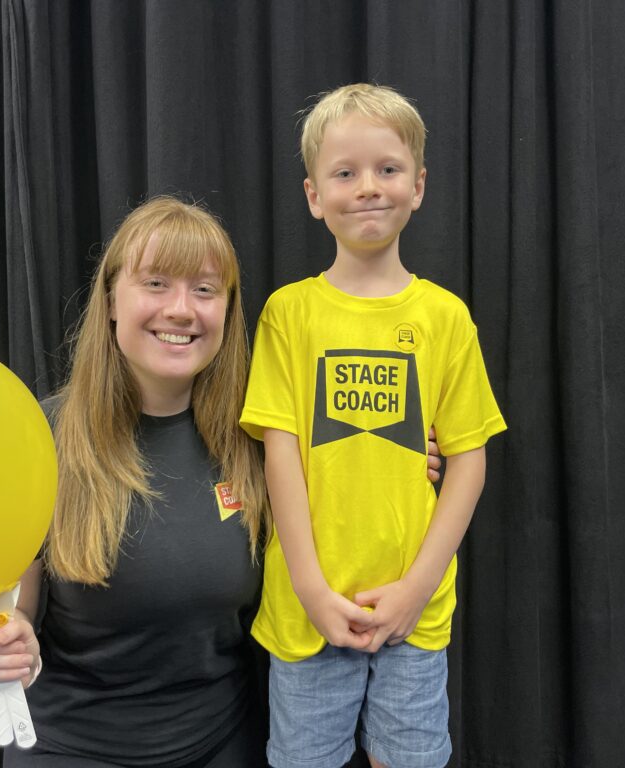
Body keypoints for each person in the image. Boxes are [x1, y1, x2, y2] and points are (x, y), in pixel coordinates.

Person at [0, 195, 442, 767]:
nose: (182, 309)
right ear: (111, 300)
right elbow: (14, 617)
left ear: (228, 312)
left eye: (205, 290)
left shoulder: (266, 441)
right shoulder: (37, 438)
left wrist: (398, 461)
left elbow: (358, 488)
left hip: (225, 744)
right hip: (72, 747)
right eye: (156, 284)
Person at [239, 84, 507, 768]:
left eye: (387, 170)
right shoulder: (287, 314)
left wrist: (416, 587)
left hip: (413, 615)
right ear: (312, 195)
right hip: (308, 613)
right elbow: (281, 452)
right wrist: (310, 588)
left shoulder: (445, 318)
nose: (367, 188)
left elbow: (469, 461)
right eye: (345, 172)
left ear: (418, 187)